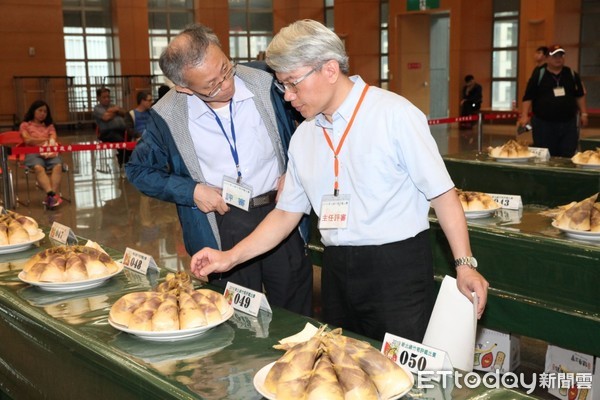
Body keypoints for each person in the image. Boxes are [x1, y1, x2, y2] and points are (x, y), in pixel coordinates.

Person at [190, 19, 489, 342]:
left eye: (293, 83)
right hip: (336, 271)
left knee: (402, 378)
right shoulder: (304, 136)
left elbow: (443, 196)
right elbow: (285, 214)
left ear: (330, 70)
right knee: (344, 371)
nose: (288, 97)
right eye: (282, 86)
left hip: (397, 270)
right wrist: (229, 257)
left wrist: (464, 264)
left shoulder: (394, 115)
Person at [125, 23, 312, 316]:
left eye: (226, 69)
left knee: (294, 306)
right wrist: (192, 190)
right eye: (211, 85)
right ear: (184, 87)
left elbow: (312, 117)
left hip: (279, 209)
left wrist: (297, 170)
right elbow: (138, 170)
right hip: (221, 221)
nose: (226, 84)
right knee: (234, 315)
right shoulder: (167, 115)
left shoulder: (266, 81)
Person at [519, 44, 588, 157]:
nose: (558, 59)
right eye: (554, 56)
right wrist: (524, 115)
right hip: (544, 124)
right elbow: (528, 97)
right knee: (546, 155)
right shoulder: (539, 74)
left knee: (568, 155)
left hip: (568, 124)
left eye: (561, 56)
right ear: (547, 58)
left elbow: (579, 95)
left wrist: (584, 113)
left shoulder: (571, 74)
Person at [19, 100, 63, 208]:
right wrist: (45, 139)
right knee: (39, 168)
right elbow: (27, 140)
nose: (43, 113)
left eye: (45, 111)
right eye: (40, 110)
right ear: (33, 111)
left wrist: (43, 140)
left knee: (58, 166)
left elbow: (53, 138)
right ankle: (52, 195)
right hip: (33, 153)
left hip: (49, 153)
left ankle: (50, 198)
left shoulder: (50, 126)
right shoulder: (25, 125)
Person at [93, 87, 134, 164]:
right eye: (104, 97)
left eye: (108, 97)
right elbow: (106, 117)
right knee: (120, 141)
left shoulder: (113, 105)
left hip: (122, 131)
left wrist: (115, 110)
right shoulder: (97, 108)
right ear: (98, 98)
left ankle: (124, 157)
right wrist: (116, 111)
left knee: (132, 137)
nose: (107, 99)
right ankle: (127, 159)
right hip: (107, 132)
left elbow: (125, 113)